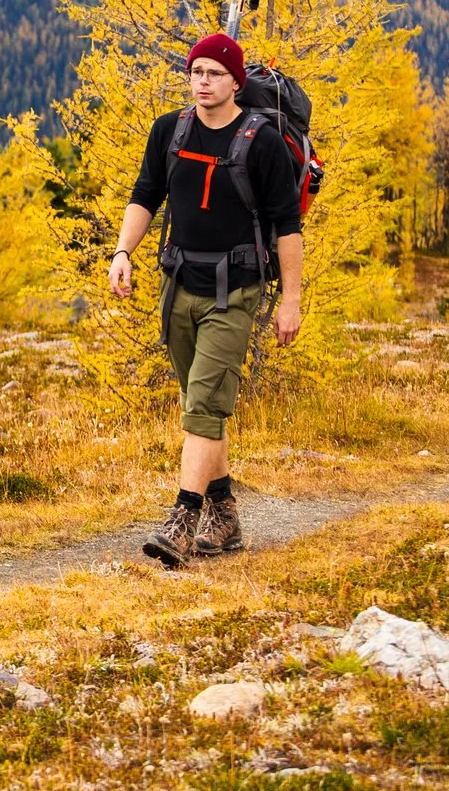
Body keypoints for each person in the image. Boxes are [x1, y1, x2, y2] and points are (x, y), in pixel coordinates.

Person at [107, 31, 304, 567]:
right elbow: (146, 195)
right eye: (196, 71)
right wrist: (123, 251)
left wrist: (291, 300)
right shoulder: (170, 131)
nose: (202, 81)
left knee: (204, 403)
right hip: (179, 288)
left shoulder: (260, 141)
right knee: (201, 406)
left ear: (236, 82)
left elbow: (287, 225)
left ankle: (183, 518)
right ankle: (225, 512)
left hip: (234, 292)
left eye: (214, 73)